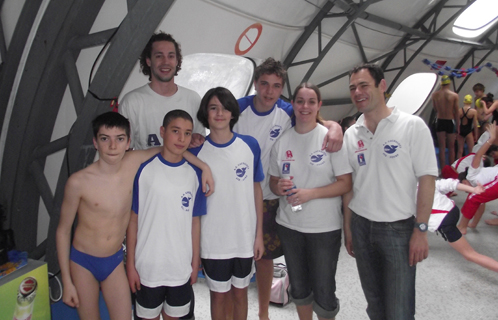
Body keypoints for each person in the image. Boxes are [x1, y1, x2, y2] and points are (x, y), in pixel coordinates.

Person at [56, 112, 213, 320]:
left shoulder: (133, 163)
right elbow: (63, 231)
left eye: (119, 139)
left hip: (113, 261)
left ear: (128, 142)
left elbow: (173, 149)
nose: (113, 146)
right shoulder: (78, 182)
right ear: (95, 142)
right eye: (105, 139)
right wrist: (66, 282)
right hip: (83, 260)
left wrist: (204, 167)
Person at [233, 57, 343, 320]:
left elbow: (315, 118)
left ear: (282, 89)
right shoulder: (237, 109)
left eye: (276, 85)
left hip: (270, 198)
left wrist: (335, 127)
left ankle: (263, 314)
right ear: (255, 84)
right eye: (264, 84)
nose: (269, 91)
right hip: (237, 197)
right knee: (235, 260)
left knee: (265, 259)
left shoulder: (287, 111)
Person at [343, 63, 438, 320]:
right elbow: (350, 187)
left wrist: (420, 229)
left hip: (398, 230)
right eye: (353, 88)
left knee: (399, 309)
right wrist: (349, 229)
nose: (358, 92)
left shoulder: (411, 126)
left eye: (364, 85)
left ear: (382, 86)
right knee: (374, 305)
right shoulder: (351, 134)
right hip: (362, 227)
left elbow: (427, 180)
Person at [268, 83, 352, 320]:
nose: (305, 106)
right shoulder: (282, 141)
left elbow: (345, 183)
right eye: (300, 101)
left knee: (324, 288)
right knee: (299, 285)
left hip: (324, 228)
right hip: (289, 226)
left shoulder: (330, 139)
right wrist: (279, 187)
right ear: (293, 105)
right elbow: (274, 182)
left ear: (319, 105)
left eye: (311, 101)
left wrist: (310, 193)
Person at [192, 87, 265, 320]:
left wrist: (258, 235)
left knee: (241, 293)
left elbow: (256, 190)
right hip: (213, 240)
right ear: (205, 113)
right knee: (219, 296)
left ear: (233, 113)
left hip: (243, 237)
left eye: (224, 108)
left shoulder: (250, 145)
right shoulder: (196, 151)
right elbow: (171, 150)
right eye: (213, 108)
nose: (219, 113)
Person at [126, 110, 207, 320]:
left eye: (188, 133)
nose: (181, 139)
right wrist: (130, 265)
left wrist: (195, 261)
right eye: (175, 131)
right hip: (147, 269)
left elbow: (195, 222)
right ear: (162, 131)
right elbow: (133, 221)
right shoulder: (143, 170)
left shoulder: (195, 174)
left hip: (179, 267)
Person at [119, 32, 205, 150]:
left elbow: (200, 145)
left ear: (177, 61)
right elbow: (124, 151)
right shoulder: (132, 102)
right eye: (159, 56)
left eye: (171, 56)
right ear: (148, 61)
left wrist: (196, 140)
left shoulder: (193, 99)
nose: (165, 62)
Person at [427, 178, 498, 272]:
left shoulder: (406, 194)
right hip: (452, 210)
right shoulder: (423, 182)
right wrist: (473, 189)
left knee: (470, 255)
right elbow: (448, 183)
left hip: (443, 221)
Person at [457, 122, 498, 235]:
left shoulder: (472, 174)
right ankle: (465, 225)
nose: (465, 190)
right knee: (476, 197)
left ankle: (461, 227)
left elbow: (478, 154)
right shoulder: (478, 186)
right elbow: (481, 205)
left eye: (464, 187)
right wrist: (473, 224)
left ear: (465, 181)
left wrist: (491, 139)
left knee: (473, 196)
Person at [432, 75, 459, 167]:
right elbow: (456, 112)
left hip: (439, 121)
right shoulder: (454, 95)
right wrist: (458, 127)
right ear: (449, 83)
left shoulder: (435, 95)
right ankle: (451, 169)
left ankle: (443, 170)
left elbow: (435, 109)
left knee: (442, 148)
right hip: (449, 121)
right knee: (451, 148)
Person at [456, 94, 478, 159]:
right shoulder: (474, 111)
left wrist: (457, 132)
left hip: (461, 130)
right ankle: (470, 166)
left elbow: (457, 122)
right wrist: (476, 135)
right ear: (471, 102)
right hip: (468, 131)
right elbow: (475, 124)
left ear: (464, 101)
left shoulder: (459, 111)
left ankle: (457, 166)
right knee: (471, 151)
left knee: (460, 151)